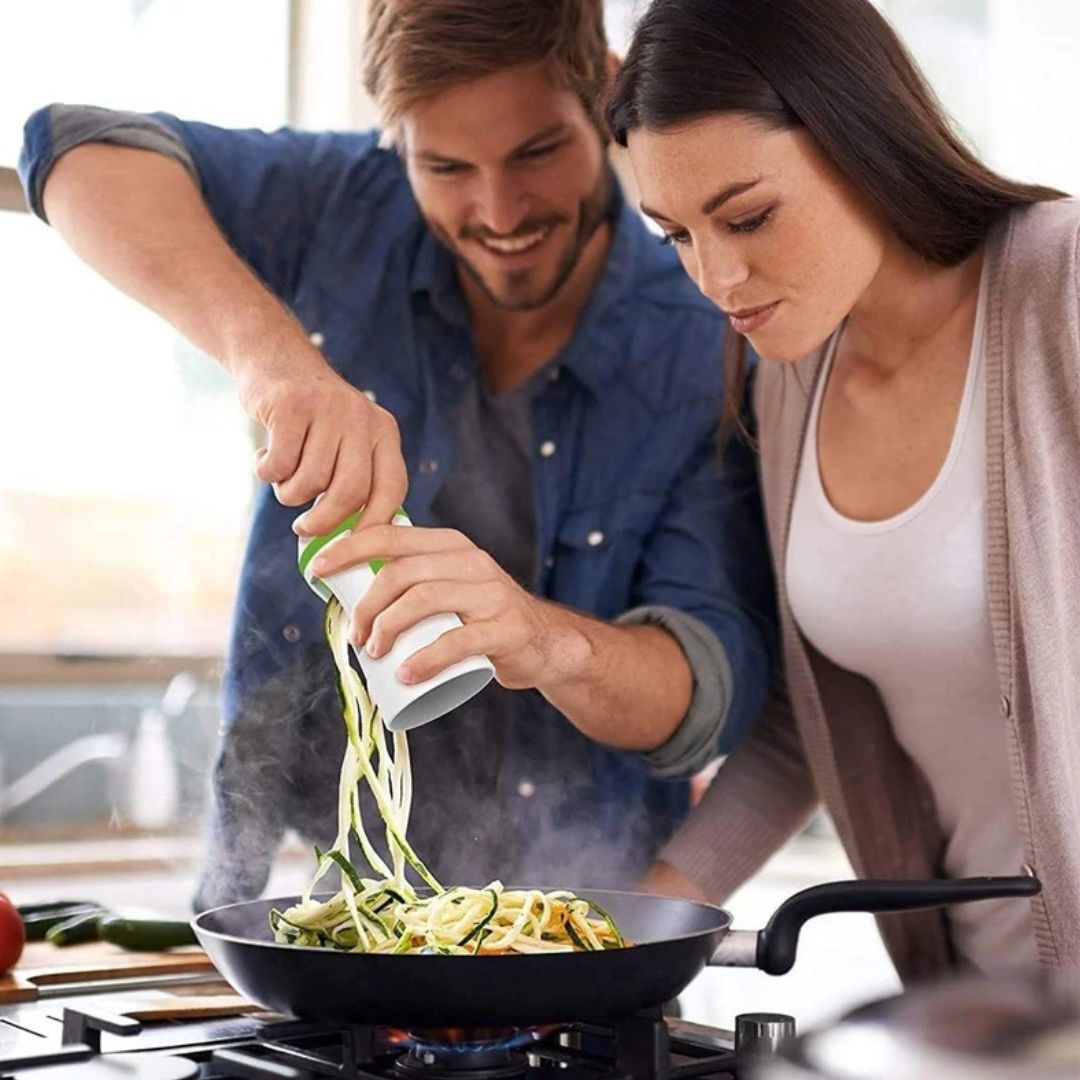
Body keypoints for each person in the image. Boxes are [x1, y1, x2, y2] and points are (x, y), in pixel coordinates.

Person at [19, 0, 774, 905]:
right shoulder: (345, 202)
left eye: (536, 153)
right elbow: (71, 150)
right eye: (445, 166)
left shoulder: (707, 332)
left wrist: (539, 640)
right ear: (396, 143)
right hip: (281, 903)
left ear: (606, 97)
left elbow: (705, 691)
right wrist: (277, 365)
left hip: (568, 937)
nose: (498, 212)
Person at [607, 0, 1079, 980]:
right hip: (980, 1007)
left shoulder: (1058, 285)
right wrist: (633, 929)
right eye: (676, 236)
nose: (719, 278)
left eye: (748, 217)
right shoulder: (790, 376)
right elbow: (813, 711)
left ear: (860, 135)